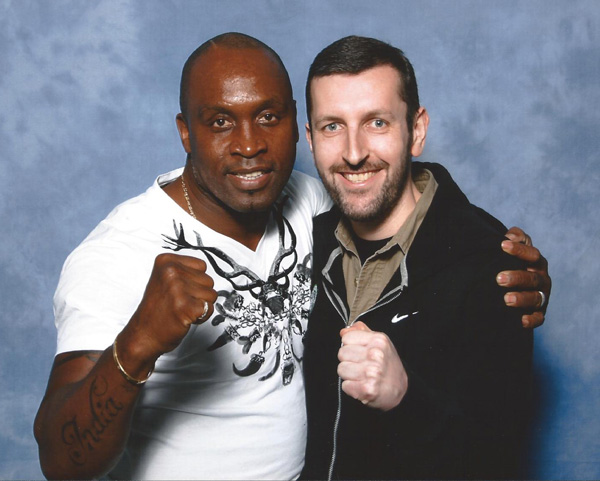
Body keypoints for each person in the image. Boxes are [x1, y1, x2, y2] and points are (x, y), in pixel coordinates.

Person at [34, 33, 550, 480]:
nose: (249, 145)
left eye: (267, 117)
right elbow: (61, 461)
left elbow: (391, 183)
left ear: (291, 127)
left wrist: (499, 257)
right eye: (219, 122)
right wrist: (138, 343)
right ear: (185, 132)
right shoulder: (119, 251)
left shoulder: (313, 205)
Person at [301, 36, 544, 480]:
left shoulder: (494, 267)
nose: (354, 153)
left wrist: (406, 397)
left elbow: (494, 461)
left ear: (416, 130)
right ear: (311, 138)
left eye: (377, 122)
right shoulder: (306, 243)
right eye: (332, 126)